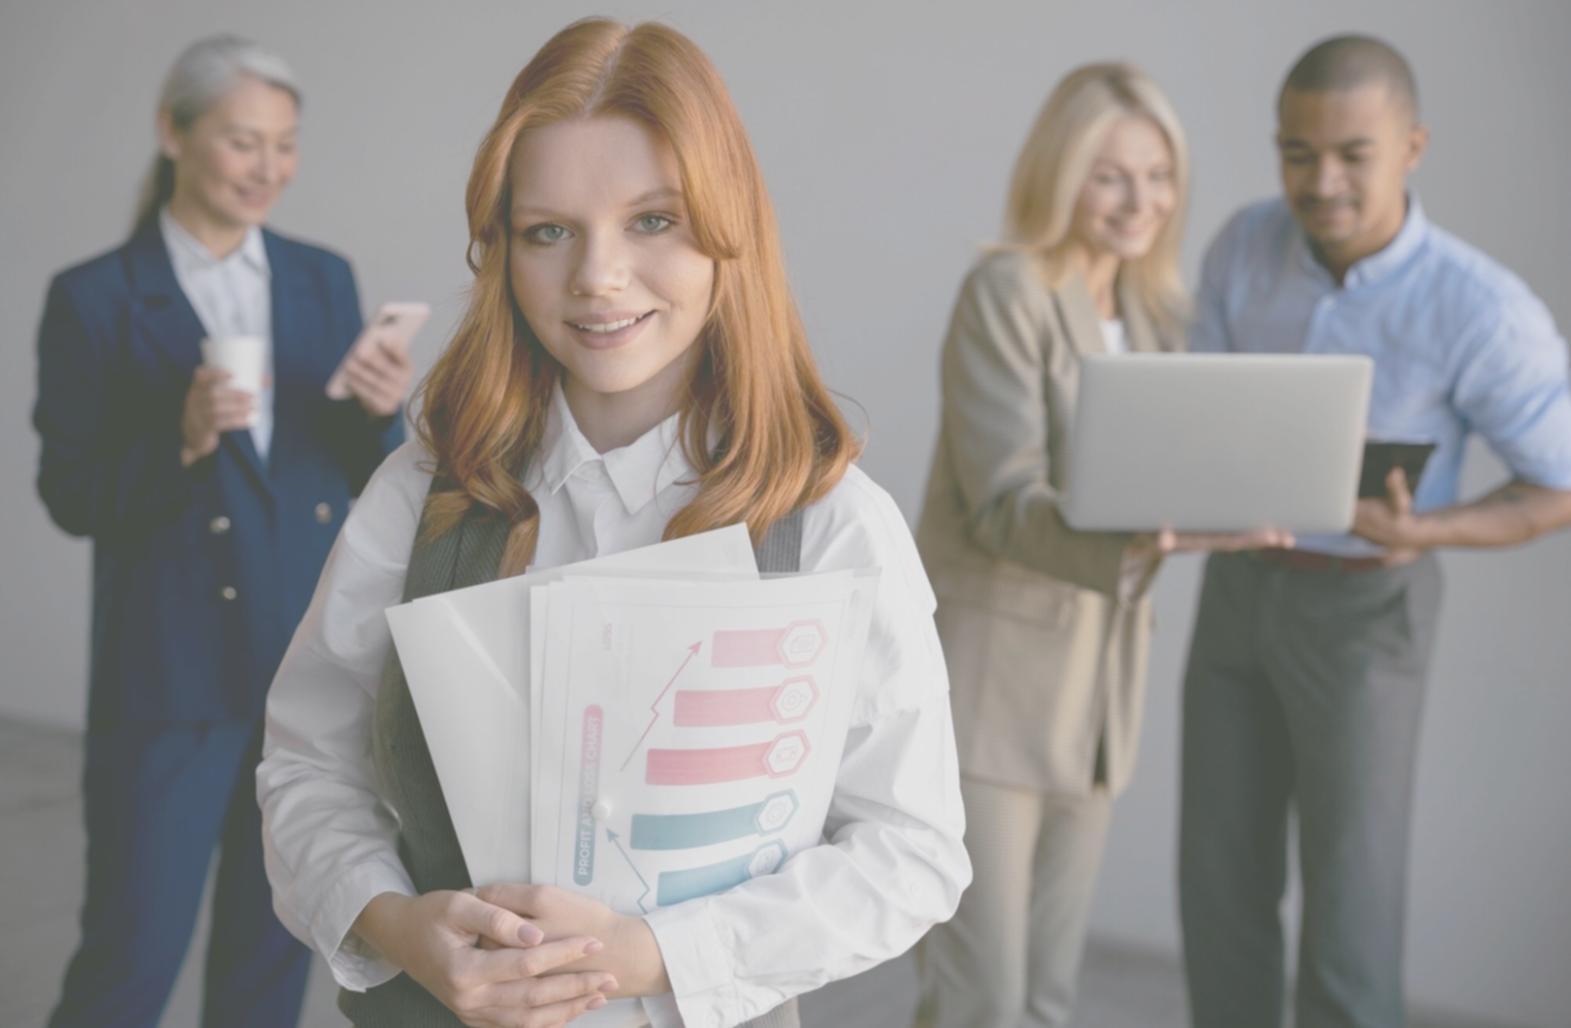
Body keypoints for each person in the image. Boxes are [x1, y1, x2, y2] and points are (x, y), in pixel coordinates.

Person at [256, 17, 971, 1028]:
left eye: (651, 222)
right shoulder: (422, 492)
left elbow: (910, 851)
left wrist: (659, 954)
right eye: (549, 230)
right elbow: (307, 761)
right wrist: (393, 919)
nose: (596, 276)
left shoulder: (833, 525)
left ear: (730, 232)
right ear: (501, 248)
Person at [1178, 34, 1571, 1028]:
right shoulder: (1239, 244)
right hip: (1235, 587)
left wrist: (1427, 528)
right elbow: (1194, 410)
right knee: (1217, 880)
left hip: (1367, 608)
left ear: (1411, 146)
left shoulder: (1481, 309)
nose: (1322, 182)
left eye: (1352, 153)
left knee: (1350, 902)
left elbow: (1558, 483)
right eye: (1296, 152)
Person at [32, 34, 410, 1028]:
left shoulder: (321, 277)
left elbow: (361, 474)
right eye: (243, 141)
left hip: (300, 674)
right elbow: (69, 495)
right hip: (167, 682)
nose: (267, 169)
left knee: (266, 971)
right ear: (173, 132)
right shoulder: (94, 298)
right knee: (128, 959)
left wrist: (382, 413)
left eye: (284, 145)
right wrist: (183, 436)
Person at [912, 64, 1285, 1028]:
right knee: (979, 996)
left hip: (1097, 695)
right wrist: (1147, 533)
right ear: (1060, 171)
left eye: (1158, 175)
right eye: (1110, 174)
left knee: (1045, 998)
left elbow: (1173, 469)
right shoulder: (1005, 293)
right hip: (991, 687)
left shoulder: (1162, 315)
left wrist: (1231, 503)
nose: (1140, 201)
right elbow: (1002, 499)